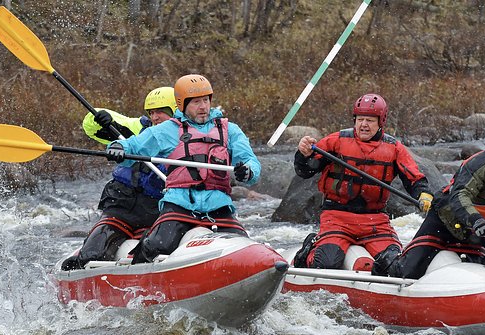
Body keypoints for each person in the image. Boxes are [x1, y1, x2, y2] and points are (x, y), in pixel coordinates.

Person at [104, 74, 261, 263]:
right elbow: (134, 146)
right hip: (179, 205)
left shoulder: (229, 130)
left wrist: (248, 171)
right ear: (182, 105)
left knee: (243, 248)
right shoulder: (168, 129)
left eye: (205, 100)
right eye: (196, 102)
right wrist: (117, 148)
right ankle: (137, 279)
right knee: (155, 246)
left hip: (218, 206)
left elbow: (251, 161)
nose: (203, 106)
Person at [292, 93, 433, 274]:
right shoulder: (336, 141)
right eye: (360, 119)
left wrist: (424, 194)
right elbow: (306, 170)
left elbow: (414, 178)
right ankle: (309, 249)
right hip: (337, 218)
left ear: (380, 122)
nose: (364, 125)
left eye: (370, 120)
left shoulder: (394, 148)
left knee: (396, 266)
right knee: (326, 264)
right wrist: (303, 154)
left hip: (375, 221)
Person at [387, 131, 485, 286]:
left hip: (476, 236)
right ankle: (386, 261)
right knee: (408, 271)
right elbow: (460, 195)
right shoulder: (483, 163)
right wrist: (476, 220)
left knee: (476, 280)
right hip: (443, 222)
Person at [61, 87, 177, 270]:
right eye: (152, 112)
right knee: (91, 255)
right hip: (121, 205)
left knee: (149, 253)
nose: (155, 117)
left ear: (176, 111)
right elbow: (91, 127)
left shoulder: (188, 137)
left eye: (162, 111)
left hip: (158, 210)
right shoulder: (138, 128)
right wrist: (99, 118)